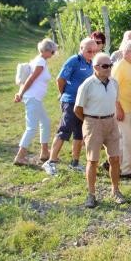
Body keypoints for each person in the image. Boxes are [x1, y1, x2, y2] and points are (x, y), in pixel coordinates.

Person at [74, 53, 126, 208]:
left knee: (115, 158)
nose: (109, 68)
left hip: (111, 121)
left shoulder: (114, 83)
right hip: (93, 122)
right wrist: (89, 122)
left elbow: (115, 101)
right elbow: (77, 109)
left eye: (110, 65)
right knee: (93, 160)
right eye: (105, 66)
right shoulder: (87, 85)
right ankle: (91, 194)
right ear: (95, 67)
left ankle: (115, 190)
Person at [42, 38, 97, 176]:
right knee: (64, 130)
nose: (91, 53)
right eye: (88, 51)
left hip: (84, 104)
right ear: (81, 48)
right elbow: (60, 79)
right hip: (71, 101)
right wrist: (64, 94)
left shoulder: (92, 63)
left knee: (79, 132)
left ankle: (75, 162)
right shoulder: (74, 61)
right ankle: (51, 161)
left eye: (94, 51)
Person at [13, 38, 57, 166]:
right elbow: (31, 80)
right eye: (53, 52)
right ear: (46, 51)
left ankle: (44, 152)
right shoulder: (41, 62)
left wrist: (21, 93)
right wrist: (20, 94)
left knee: (45, 122)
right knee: (31, 127)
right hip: (33, 98)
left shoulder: (38, 60)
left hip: (35, 98)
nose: (53, 54)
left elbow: (29, 80)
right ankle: (20, 156)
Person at [111, 40, 131, 179]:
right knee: (127, 140)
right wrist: (118, 108)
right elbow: (113, 88)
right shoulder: (120, 66)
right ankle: (126, 169)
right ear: (126, 52)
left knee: (130, 138)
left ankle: (121, 165)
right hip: (123, 109)